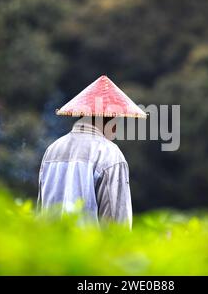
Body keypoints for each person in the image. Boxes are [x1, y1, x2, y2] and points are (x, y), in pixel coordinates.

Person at [37, 75, 146, 228]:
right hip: (89, 250)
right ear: (113, 120)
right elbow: (116, 225)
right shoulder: (110, 154)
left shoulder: (52, 150)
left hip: (48, 249)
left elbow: (41, 210)